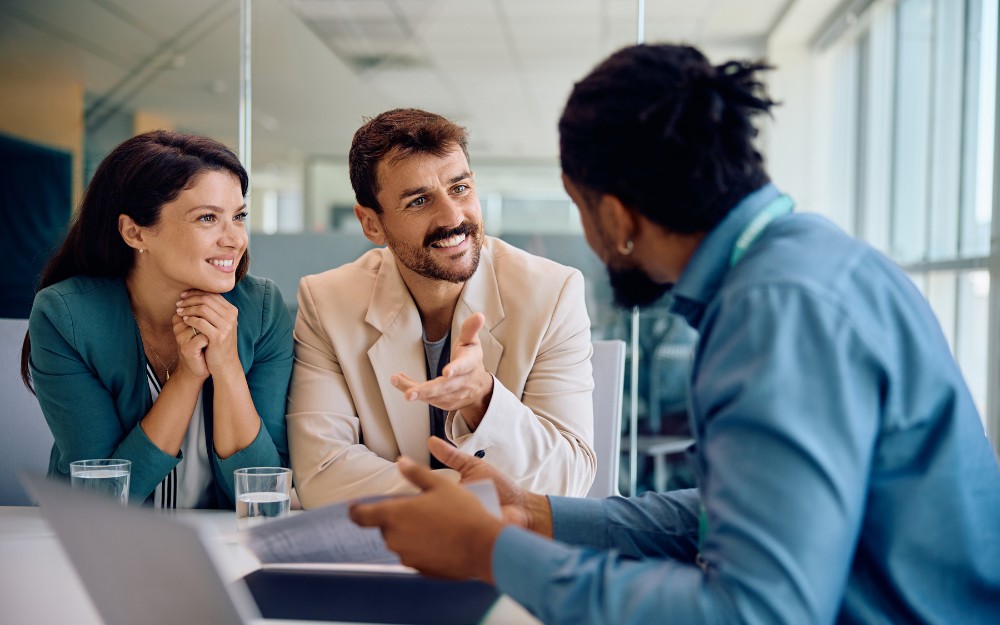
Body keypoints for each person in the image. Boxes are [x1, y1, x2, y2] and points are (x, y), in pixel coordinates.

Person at [349, 44, 1000, 624]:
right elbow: (745, 508)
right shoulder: (805, 261)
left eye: (580, 208)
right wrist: (538, 515)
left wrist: (492, 552)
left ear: (615, 213)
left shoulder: (775, 312)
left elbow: (753, 609)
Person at [287, 108, 595, 507]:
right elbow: (322, 474)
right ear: (371, 224)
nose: (453, 217)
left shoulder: (553, 293)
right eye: (418, 201)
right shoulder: (327, 302)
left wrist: (482, 400)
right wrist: (473, 495)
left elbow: (570, 479)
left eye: (460, 188)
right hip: (385, 552)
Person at [21, 130, 294, 509]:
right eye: (208, 218)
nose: (234, 239)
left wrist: (227, 366)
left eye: (239, 216)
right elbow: (103, 499)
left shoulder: (262, 311)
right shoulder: (66, 316)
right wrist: (187, 378)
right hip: (104, 544)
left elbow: (264, 497)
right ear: (135, 232)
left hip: (223, 543)